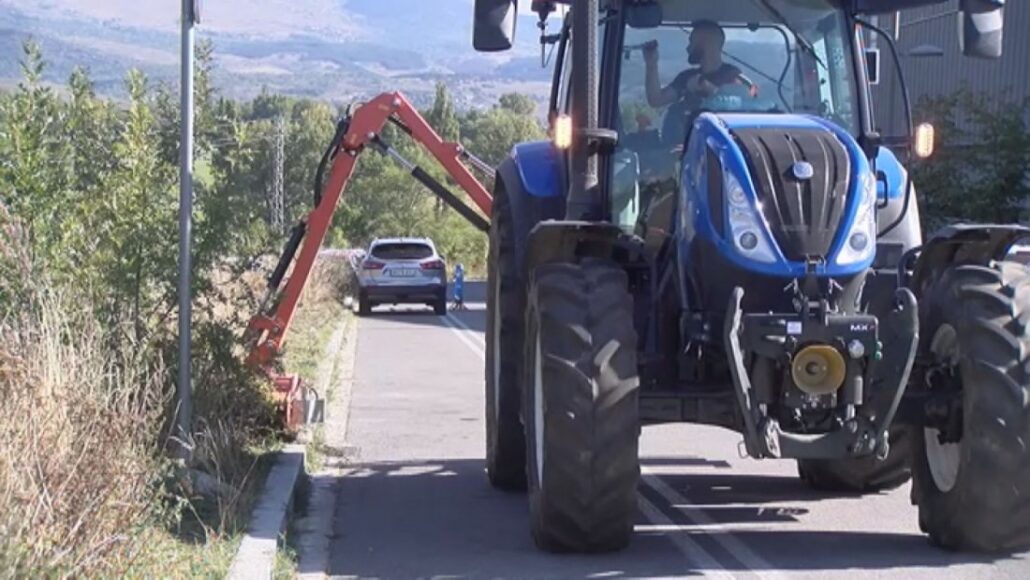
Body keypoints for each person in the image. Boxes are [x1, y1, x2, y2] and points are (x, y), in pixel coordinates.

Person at [643, 20, 744, 111]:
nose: (688, 48)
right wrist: (651, 64)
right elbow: (656, 100)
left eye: (692, 42)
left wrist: (708, 88)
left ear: (706, 44)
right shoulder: (686, 77)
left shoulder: (732, 75)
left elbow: (740, 105)